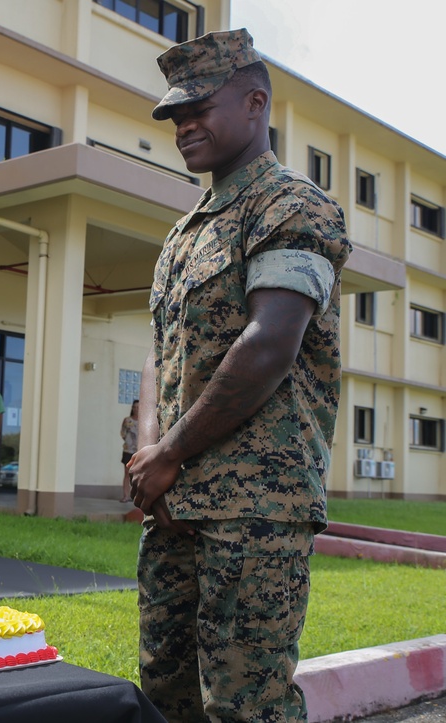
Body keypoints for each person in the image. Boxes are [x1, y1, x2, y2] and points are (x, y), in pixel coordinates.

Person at [127, 30, 351, 722]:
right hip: (174, 503)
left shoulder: (292, 205)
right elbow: (158, 351)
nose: (183, 125)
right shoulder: (185, 232)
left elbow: (269, 344)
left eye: (198, 109)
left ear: (256, 103)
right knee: (165, 689)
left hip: (255, 505)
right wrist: (147, 450)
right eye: (174, 116)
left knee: (244, 703)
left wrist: (167, 453)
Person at [119, 400, 139, 502]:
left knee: (138, 474)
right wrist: (129, 441)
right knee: (127, 473)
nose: (136, 409)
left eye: (138, 407)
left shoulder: (144, 421)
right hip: (128, 450)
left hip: (139, 451)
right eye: (134, 407)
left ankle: (136, 497)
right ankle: (126, 495)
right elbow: (122, 433)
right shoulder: (127, 420)